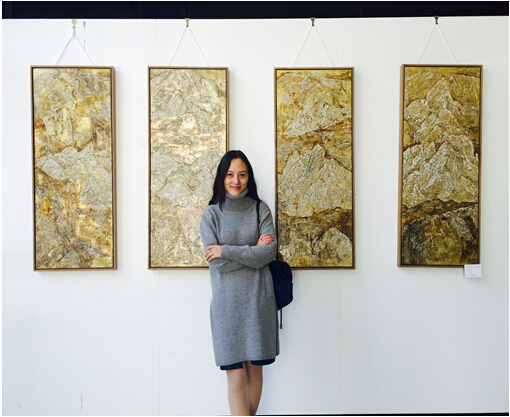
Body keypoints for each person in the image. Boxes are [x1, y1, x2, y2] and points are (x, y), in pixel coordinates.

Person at [200, 150, 279, 416]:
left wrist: (226, 250)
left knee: (255, 372)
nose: (236, 181)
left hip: (258, 302)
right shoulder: (211, 215)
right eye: (230, 175)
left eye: (242, 175)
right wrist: (252, 250)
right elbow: (217, 263)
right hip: (226, 307)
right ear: (221, 178)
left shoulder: (260, 209)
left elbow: (268, 254)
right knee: (235, 376)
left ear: (249, 177)